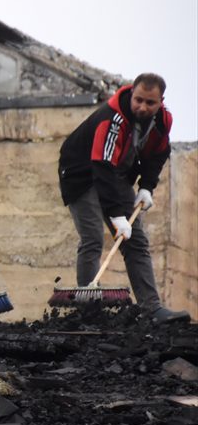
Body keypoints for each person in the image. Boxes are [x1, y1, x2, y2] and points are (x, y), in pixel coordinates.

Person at [58, 73, 188, 323]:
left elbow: (159, 153)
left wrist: (147, 187)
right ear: (132, 93)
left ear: (160, 101)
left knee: (136, 240)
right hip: (80, 174)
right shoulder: (113, 118)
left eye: (150, 103)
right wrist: (117, 215)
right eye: (138, 100)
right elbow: (101, 165)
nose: (142, 107)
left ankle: (152, 308)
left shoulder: (162, 120)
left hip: (115, 174)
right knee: (92, 238)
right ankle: (89, 310)